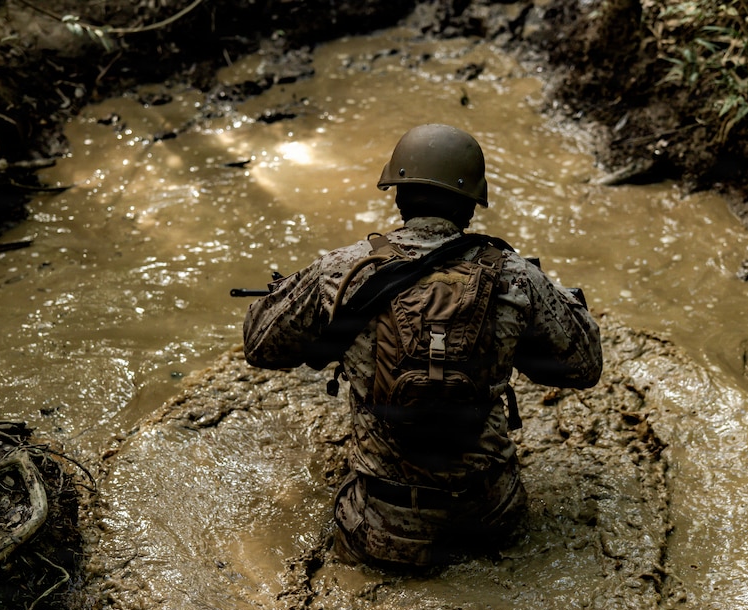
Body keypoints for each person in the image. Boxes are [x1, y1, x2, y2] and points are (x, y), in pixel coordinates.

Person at [243, 123, 602, 568]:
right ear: (471, 206)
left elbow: (260, 345)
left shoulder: (342, 271)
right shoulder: (517, 278)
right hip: (493, 517)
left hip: (383, 526)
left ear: (397, 194)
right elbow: (584, 368)